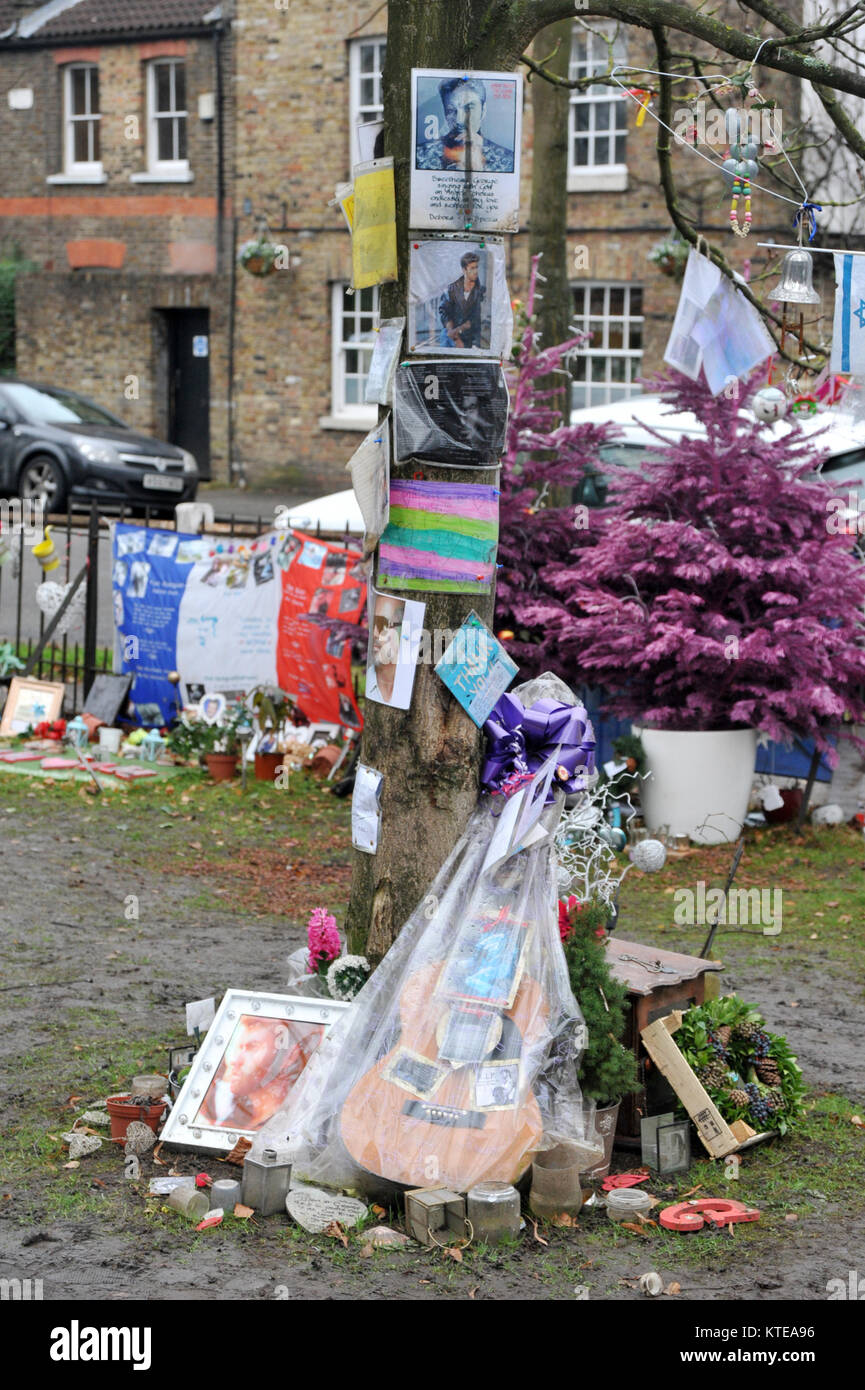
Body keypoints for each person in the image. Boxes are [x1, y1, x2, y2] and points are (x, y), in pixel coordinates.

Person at [198, 1017, 321, 1131]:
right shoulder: (233, 1115)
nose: (235, 1060)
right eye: (239, 1047)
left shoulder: (292, 1125)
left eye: (252, 1047)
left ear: (289, 1056)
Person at [416, 76, 515, 173]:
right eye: (451, 110)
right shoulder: (420, 156)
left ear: (483, 110)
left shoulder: (508, 161)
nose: (459, 120)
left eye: (468, 108)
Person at [438, 251, 485, 349]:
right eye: (472, 268)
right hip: (450, 335)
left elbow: (475, 320)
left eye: (476, 267)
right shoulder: (451, 289)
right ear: (464, 270)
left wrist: (460, 332)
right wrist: (455, 337)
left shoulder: (479, 291)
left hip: (470, 337)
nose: (476, 271)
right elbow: (444, 313)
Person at [366, 595, 403, 704]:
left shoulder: (419, 688)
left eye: (382, 624)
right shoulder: (365, 685)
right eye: (373, 623)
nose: (375, 634)